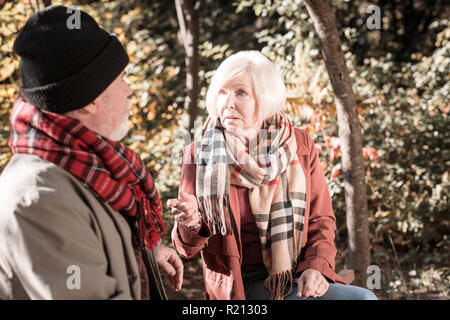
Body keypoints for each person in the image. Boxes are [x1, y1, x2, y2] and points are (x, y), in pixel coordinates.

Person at [0, 5, 183, 300]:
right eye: (122, 78)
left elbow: (95, 233)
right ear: (89, 100)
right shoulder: (41, 197)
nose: (129, 90)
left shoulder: (87, 164)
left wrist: (145, 255)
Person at [169, 50, 377, 300]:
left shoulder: (298, 144)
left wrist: (315, 267)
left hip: (295, 275)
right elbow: (186, 249)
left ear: (264, 98)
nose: (228, 103)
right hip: (240, 286)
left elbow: (321, 220)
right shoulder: (198, 154)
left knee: (363, 298)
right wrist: (191, 222)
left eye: (241, 93)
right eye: (222, 92)